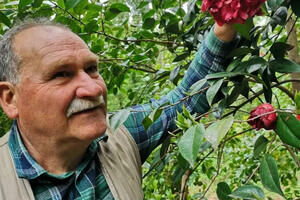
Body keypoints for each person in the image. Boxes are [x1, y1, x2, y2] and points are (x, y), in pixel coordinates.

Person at [0, 17, 238, 199]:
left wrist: (227, 22)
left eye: (92, 69)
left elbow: (184, 101)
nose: (93, 89)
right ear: (10, 98)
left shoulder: (120, 135)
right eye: (61, 74)